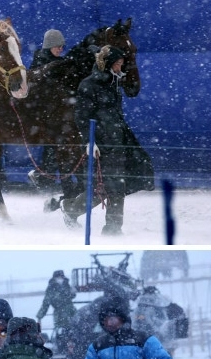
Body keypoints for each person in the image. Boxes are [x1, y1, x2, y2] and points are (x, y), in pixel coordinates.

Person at [73, 45, 154, 234]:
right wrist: (90, 142)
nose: (120, 67)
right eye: (117, 63)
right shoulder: (88, 85)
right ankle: (69, 209)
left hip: (118, 141)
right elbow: (82, 116)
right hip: (100, 145)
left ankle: (113, 228)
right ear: (108, 63)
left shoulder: (115, 83)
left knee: (118, 185)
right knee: (100, 190)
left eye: (121, 64)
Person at [28, 31, 66, 191]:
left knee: (56, 147)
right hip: (43, 112)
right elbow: (35, 85)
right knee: (54, 146)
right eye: (58, 46)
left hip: (57, 112)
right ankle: (44, 178)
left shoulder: (61, 62)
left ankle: (44, 177)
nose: (60, 49)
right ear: (49, 46)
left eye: (62, 46)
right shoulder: (39, 63)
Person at [36, 271, 76, 343]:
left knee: (73, 331)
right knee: (61, 333)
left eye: (61, 277)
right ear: (54, 278)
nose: (60, 279)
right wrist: (40, 316)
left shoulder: (66, 285)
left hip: (71, 312)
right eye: (58, 277)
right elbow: (46, 303)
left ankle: (72, 345)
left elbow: (71, 296)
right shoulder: (51, 288)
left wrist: (73, 292)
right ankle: (62, 344)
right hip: (59, 315)